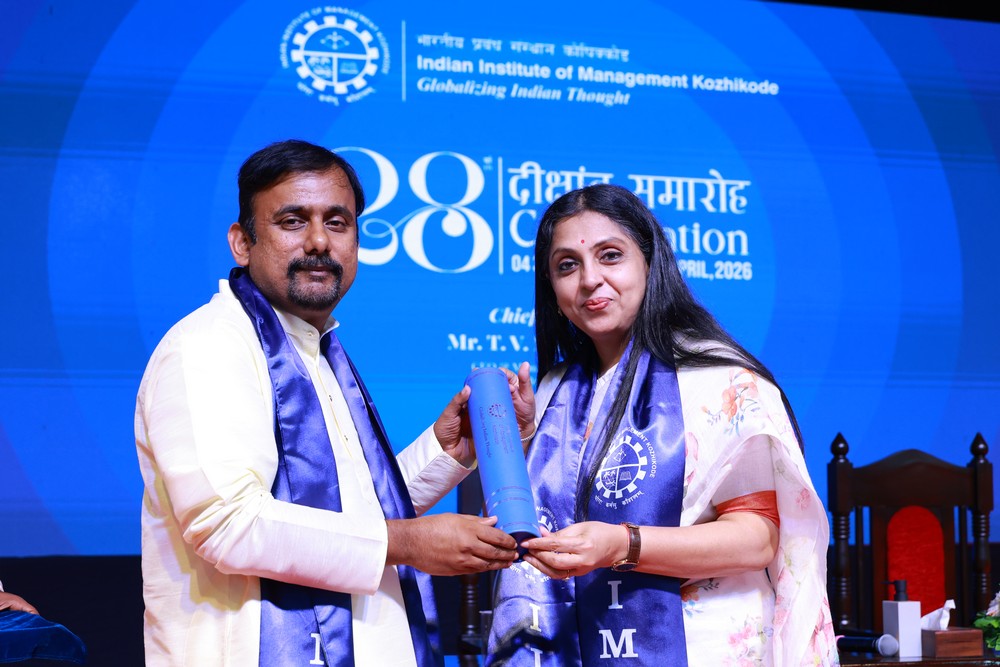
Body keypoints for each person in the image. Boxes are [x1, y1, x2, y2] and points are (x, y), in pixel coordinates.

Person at [134, 139, 518, 667]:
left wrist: (447, 451)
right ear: (242, 242)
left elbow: (351, 516)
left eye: (337, 223)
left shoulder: (318, 350)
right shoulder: (209, 344)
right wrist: (406, 543)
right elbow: (228, 524)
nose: (319, 241)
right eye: (293, 221)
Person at [487, 184, 838, 666]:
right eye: (567, 265)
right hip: (578, 644)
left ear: (650, 262)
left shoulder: (723, 381)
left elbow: (758, 538)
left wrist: (623, 544)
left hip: (702, 647)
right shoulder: (552, 390)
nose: (590, 279)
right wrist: (525, 438)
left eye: (611, 256)